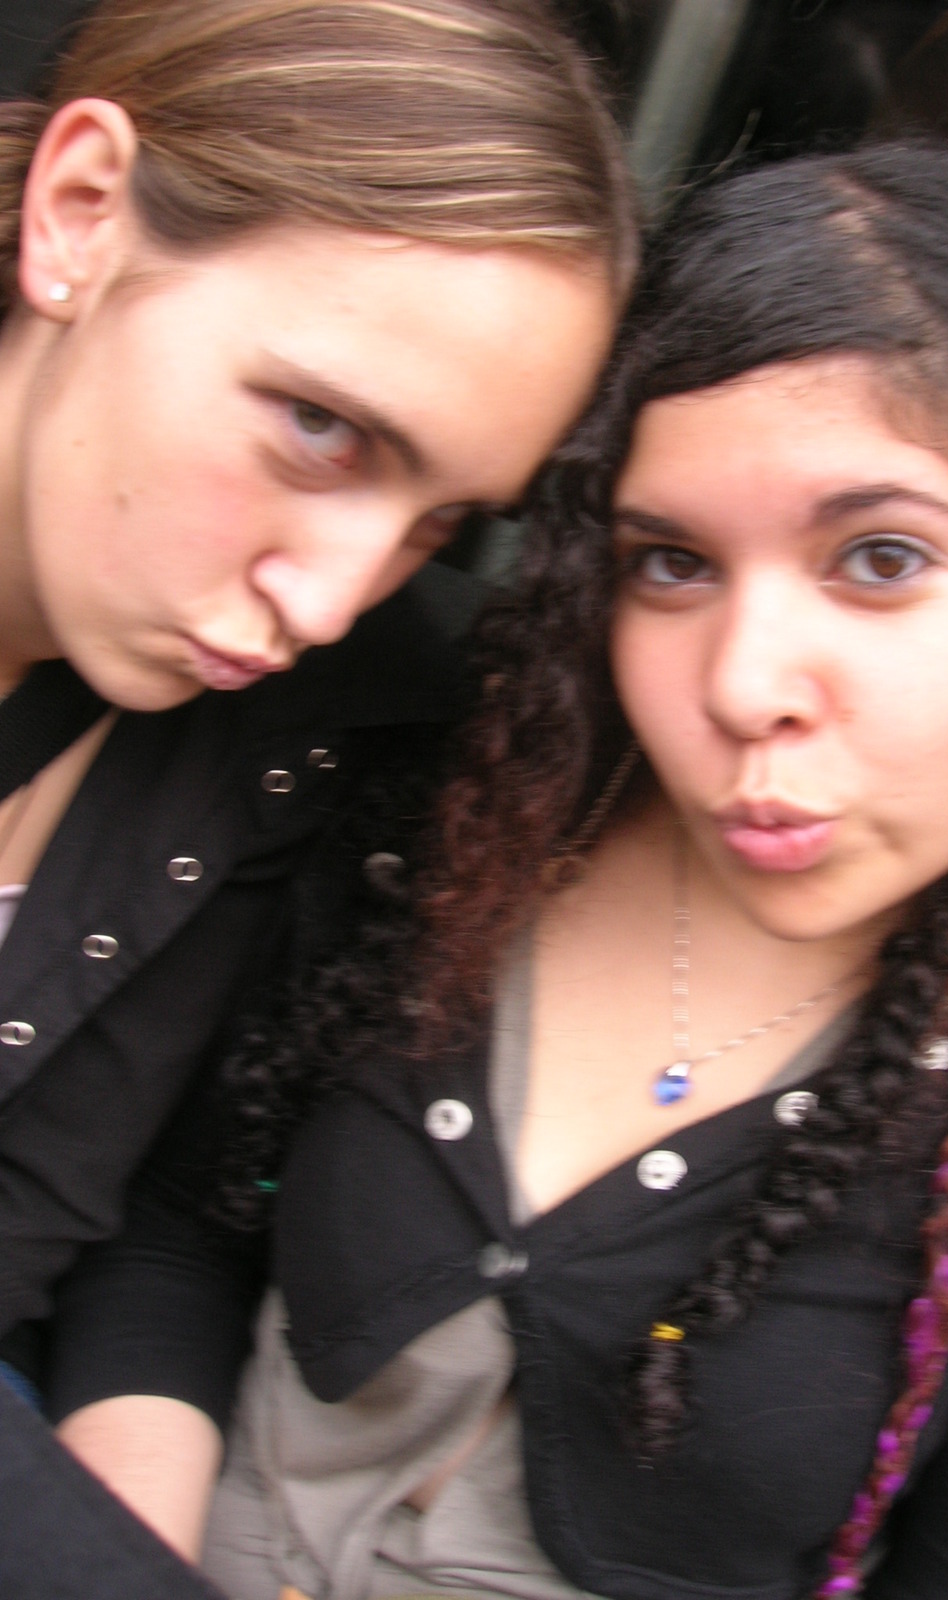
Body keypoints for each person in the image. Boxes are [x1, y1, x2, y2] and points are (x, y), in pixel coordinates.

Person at [59, 142, 948, 1600]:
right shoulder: (486, 804)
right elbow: (178, 1242)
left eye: (880, 559)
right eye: (674, 563)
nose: (742, 683)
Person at [0, 0, 632, 1592]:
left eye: (439, 522)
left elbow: (34, 1226)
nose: (332, 598)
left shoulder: (283, 723)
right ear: (79, 212)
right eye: (320, 429)